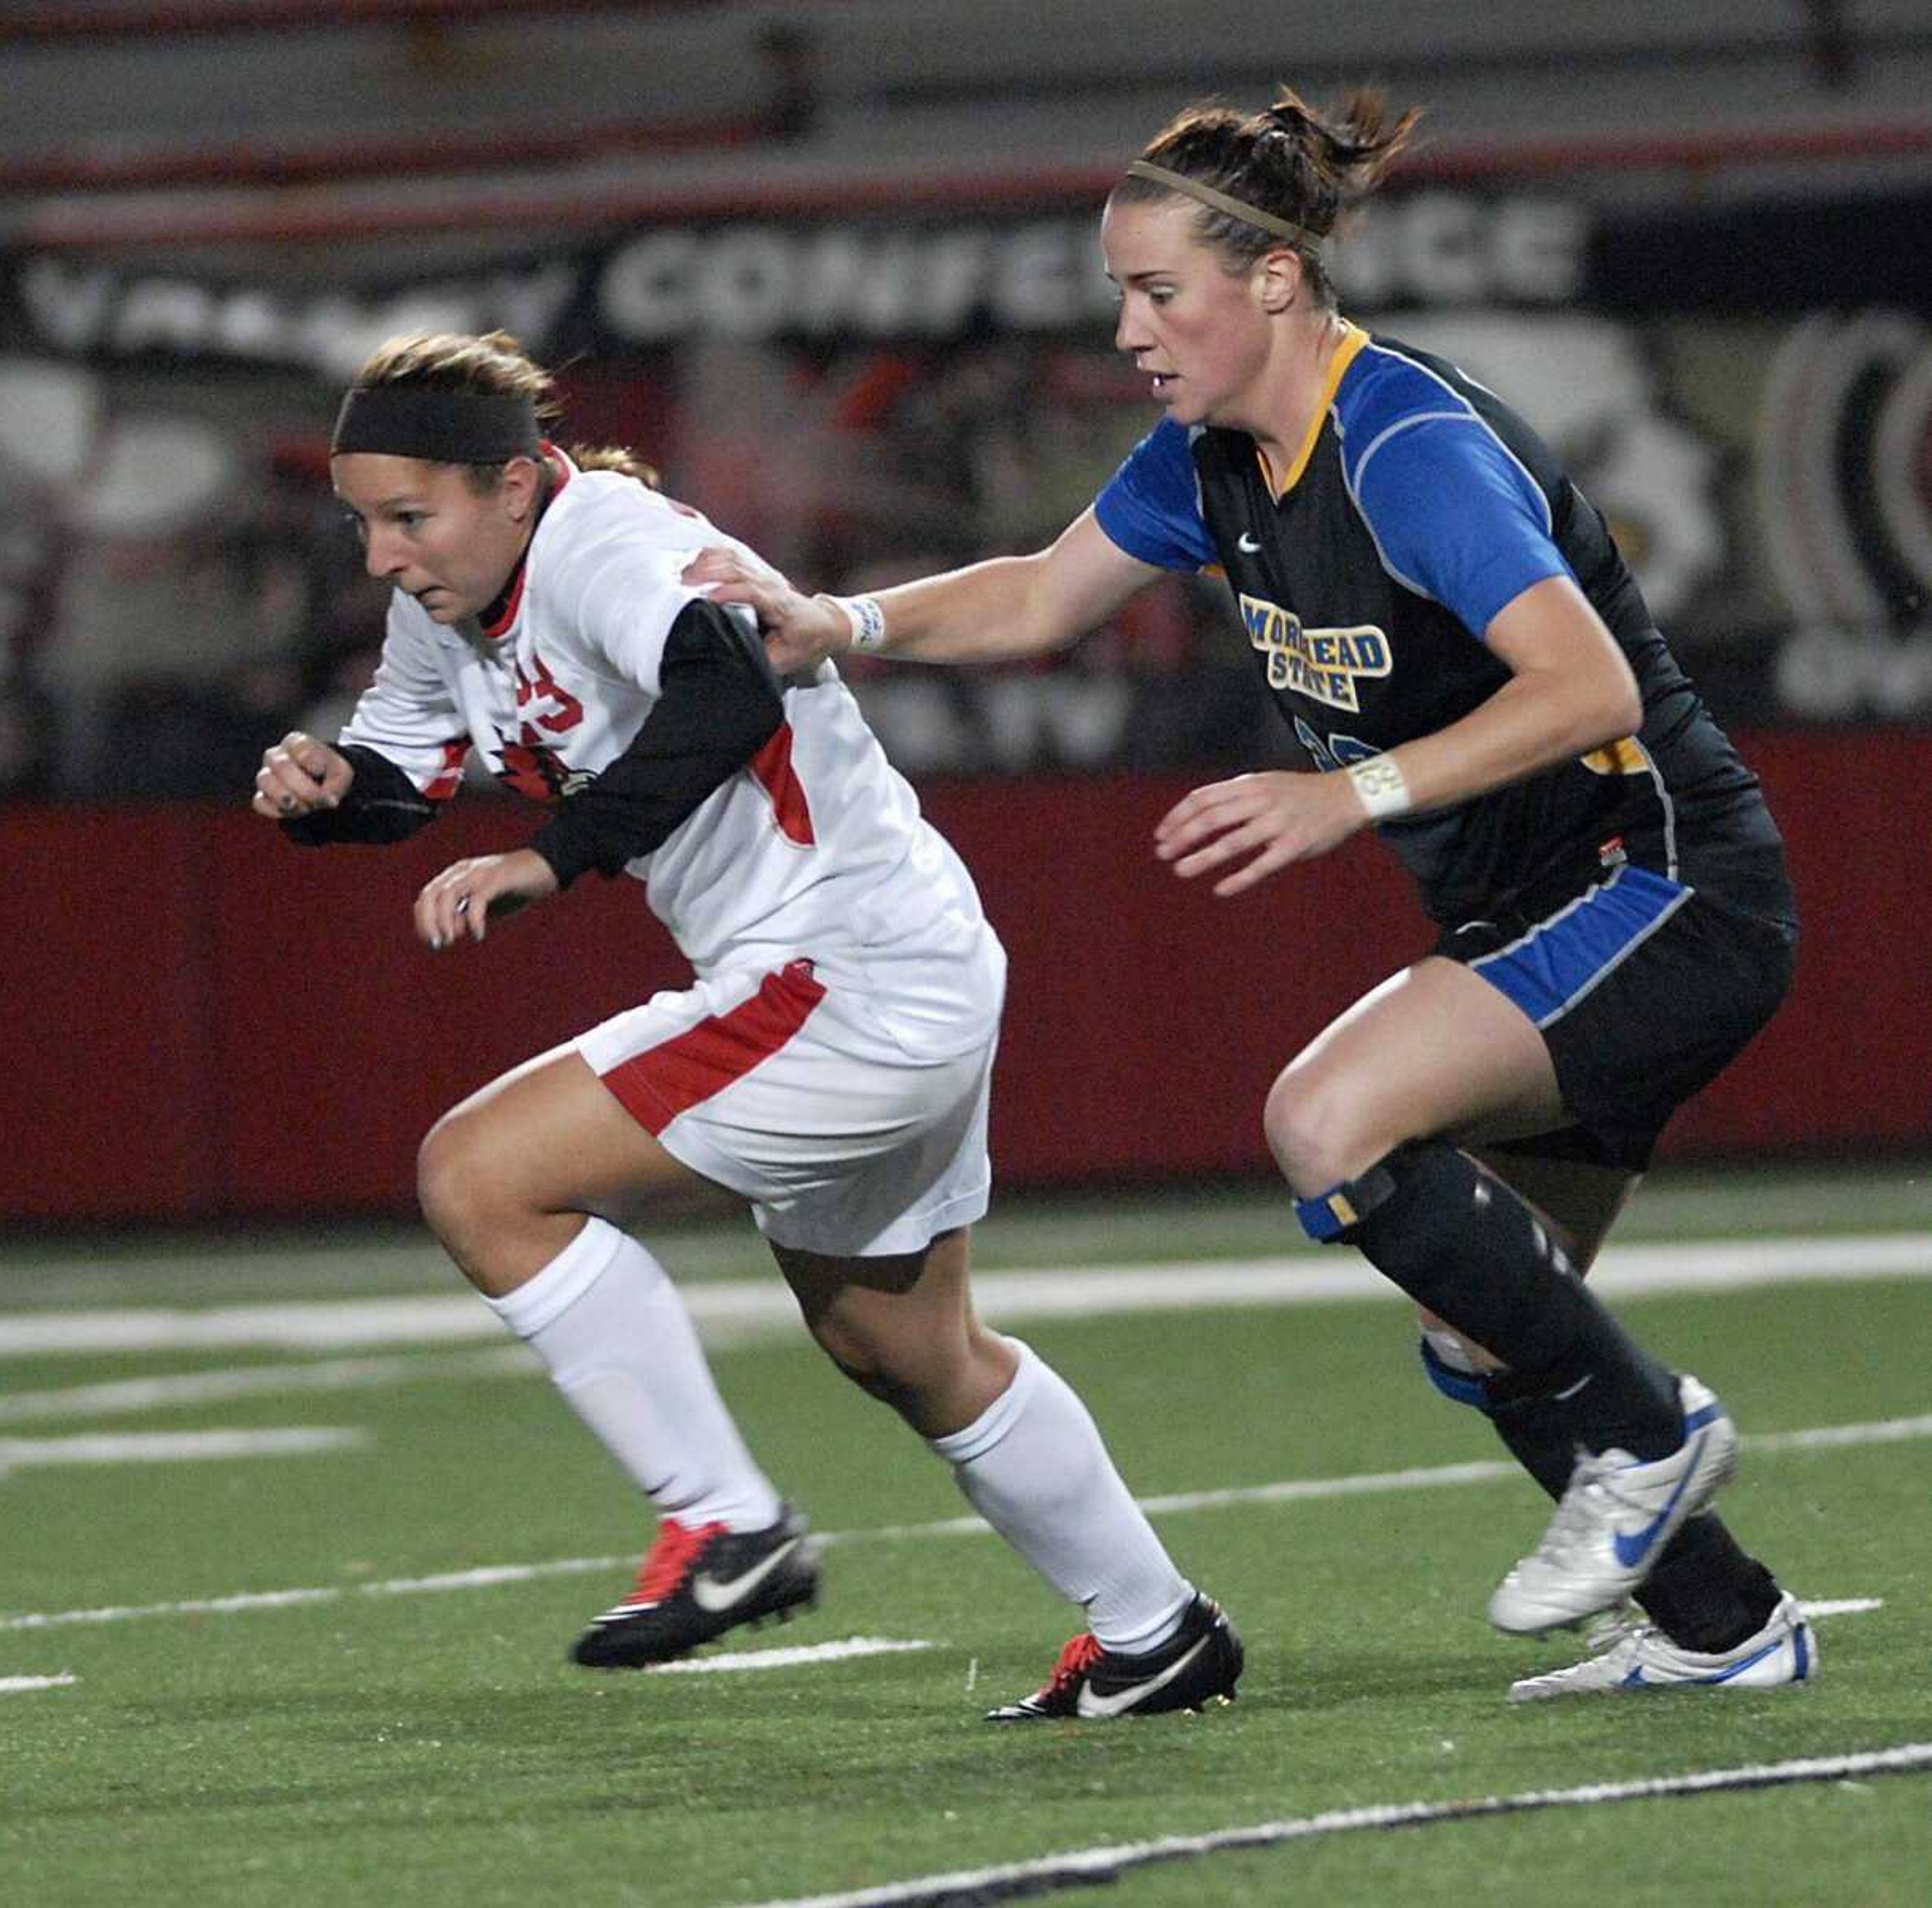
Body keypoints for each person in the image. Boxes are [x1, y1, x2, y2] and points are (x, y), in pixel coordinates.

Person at [689, 91, 1814, 1703]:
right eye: (1118, 297)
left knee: (1326, 1119)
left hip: (1666, 885)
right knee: (1489, 1316)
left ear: (1276, 278)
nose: (1131, 330)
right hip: (1544, 910)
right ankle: (1728, 1625)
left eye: (1160, 292)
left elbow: (1582, 687)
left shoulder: (1406, 443)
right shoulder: (1212, 458)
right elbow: (1034, 594)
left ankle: (1656, 1433)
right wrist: (842, 620)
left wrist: (1339, 795)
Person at [252, 329, 1242, 1718]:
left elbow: (726, 676)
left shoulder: (603, 536)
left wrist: (554, 855)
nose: (382, 555)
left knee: (477, 1174)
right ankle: (1159, 1632)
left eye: (409, 516)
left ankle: (724, 1520)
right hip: (886, 953)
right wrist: (328, 791)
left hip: (845, 965)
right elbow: (405, 770)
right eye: (364, 522)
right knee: (904, 1346)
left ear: (519, 483)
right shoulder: (448, 598)